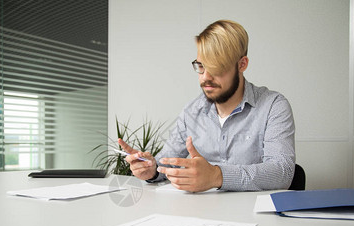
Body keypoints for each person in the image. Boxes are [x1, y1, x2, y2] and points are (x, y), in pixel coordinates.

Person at [118, 19, 295, 192]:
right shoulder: (191, 112)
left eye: (216, 67)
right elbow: (167, 161)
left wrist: (216, 176)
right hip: (203, 216)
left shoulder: (273, 106)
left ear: (242, 64)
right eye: (201, 66)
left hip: (254, 216)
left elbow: (282, 172)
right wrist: (151, 168)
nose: (205, 77)